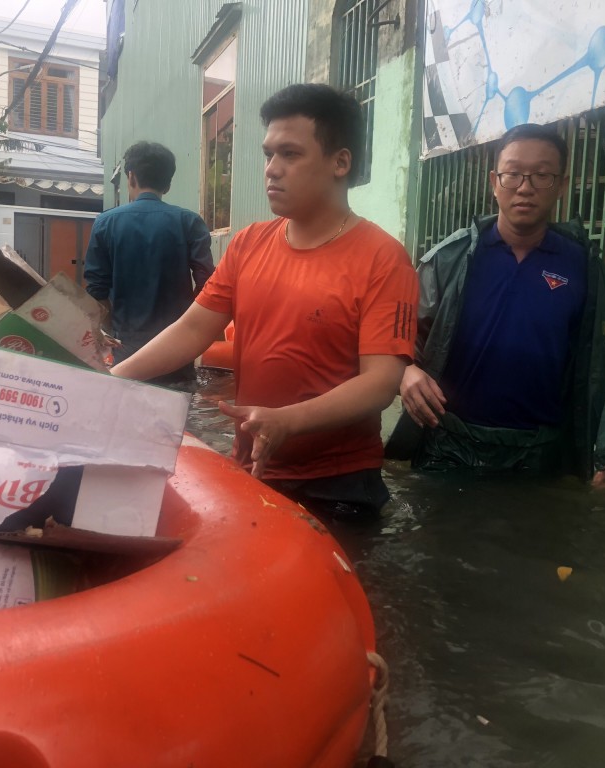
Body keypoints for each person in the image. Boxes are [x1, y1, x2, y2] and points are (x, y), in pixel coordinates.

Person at [111, 83, 418, 520]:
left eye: (290, 154)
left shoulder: (383, 259)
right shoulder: (249, 244)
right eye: (268, 154)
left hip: (338, 483)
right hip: (254, 465)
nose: (271, 169)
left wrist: (288, 420)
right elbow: (194, 328)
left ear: (340, 162)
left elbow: (381, 383)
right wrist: (113, 378)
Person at [386, 123, 605, 489]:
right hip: (449, 446)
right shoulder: (451, 260)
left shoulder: (585, 269)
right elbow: (395, 336)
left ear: (562, 185)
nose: (525, 187)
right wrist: (405, 371)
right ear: (494, 181)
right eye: (513, 174)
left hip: (541, 455)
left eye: (542, 176)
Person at [84, 141, 214, 382]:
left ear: (131, 177)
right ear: (168, 182)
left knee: (129, 410)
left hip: (127, 347)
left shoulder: (106, 223)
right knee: (177, 412)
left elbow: (96, 290)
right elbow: (209, 285)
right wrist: (187, 323)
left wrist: (113, 330)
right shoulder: (189, 222)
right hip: (178, 347)